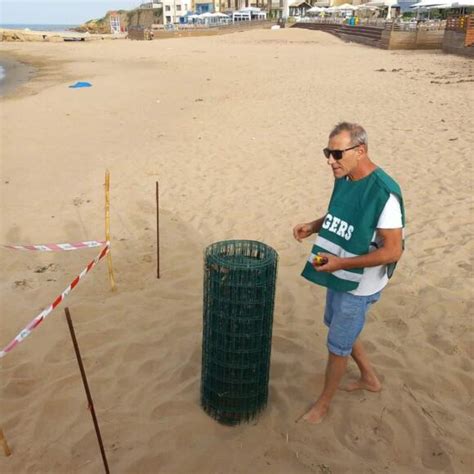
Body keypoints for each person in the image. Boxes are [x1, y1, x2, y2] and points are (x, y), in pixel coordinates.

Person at [293, 122, 405, 424]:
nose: (331, 160)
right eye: (327, 153)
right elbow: (341, 213)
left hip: (359, 282)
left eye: (337, 154)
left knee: (337, 344)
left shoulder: (384, 194)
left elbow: (393, 251)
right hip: (337, 267)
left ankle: (323, 405)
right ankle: (370, 378)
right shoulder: (345, 175)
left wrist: (340, 264)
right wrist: (314, 226)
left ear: (361, 150)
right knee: (334, 323)